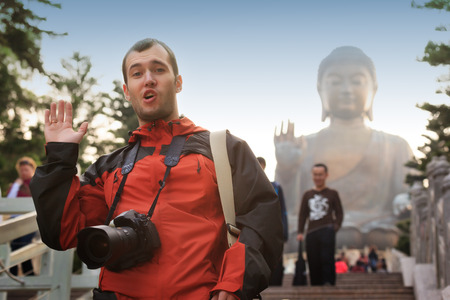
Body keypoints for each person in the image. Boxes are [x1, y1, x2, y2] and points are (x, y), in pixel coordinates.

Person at [30, 38, 283, 300]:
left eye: (158, 69)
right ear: (127, 91)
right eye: (137, 73)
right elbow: (63, 234)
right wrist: (60, 158)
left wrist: (234, 284)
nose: (148, 79)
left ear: (178, 82)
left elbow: (261, 220)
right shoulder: (108, 168)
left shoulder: (223, 149)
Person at [274, 46, 413, 250]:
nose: (346, 90)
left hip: (378, 226)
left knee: (400, 228)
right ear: (320, 89)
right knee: (290, 229)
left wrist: (405, 200)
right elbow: (290, 210)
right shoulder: (303, 146)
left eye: (357, 81)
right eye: (335, 82)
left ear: (373, 89)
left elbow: (412, 197)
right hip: (318, 226)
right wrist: (287, 169)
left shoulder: (395, 146)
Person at [296, 163, 343, 286]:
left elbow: (339, 213)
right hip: (311, 232)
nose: (318, 177)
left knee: (327, 258)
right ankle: (316, 286)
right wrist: (300, 232)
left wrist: (335, 227)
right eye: (315, 174)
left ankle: (328, 283)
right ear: (312, 176)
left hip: (327, 229)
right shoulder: (307, 195)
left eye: (320, 175)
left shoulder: (333, 193)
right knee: (313, 260)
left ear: (326, 175)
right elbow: (302, 215)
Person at [257, 157, 288, 286]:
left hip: (274, 230)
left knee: (275, 258)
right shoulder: (246, 187)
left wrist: (284, 231)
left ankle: (276, 285)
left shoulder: (275, 187)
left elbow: (283, 210)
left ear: (264, 167)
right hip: (256, 229)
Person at [7, 156, 37, 276]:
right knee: (15, 246)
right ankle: (19, 274)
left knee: (23, 245)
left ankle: (24, 273)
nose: (24, 172)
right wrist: (15, 185)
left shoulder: (36, 183)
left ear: (32, 169)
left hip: (31, 220)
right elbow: (10, 201)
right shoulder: (16, 186)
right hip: (15, 220)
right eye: (21, 170)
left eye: (26, 169)